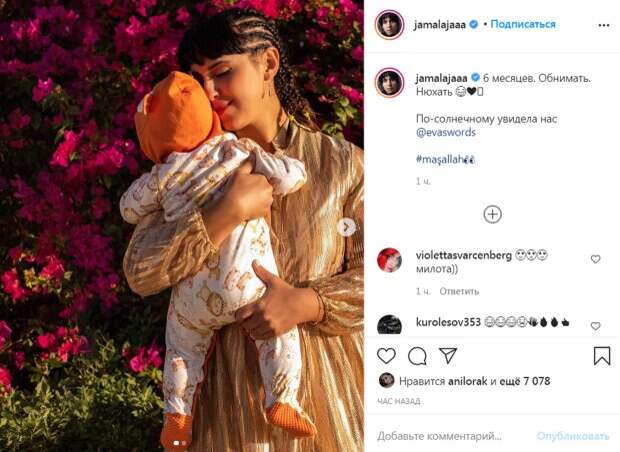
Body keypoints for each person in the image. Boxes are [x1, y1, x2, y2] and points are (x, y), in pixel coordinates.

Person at [122, 8, 364, 452]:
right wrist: (224, 212)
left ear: (268, 63)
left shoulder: (342, 166)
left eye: (222, 73)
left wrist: (309, 303)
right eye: (199, 80)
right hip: (228, 419)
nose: (210, 93)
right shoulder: (185, 170)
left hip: (329, 409)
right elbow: (141, 272)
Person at [120, 71, 316, 450]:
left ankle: (177, 414)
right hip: (248, 281)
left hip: (194, 292)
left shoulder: (160, 177)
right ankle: (282, 399)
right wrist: (289, 170)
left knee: (181, 349)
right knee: (280, 335)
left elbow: (128, 207)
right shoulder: (235, 151)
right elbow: (291, 176)